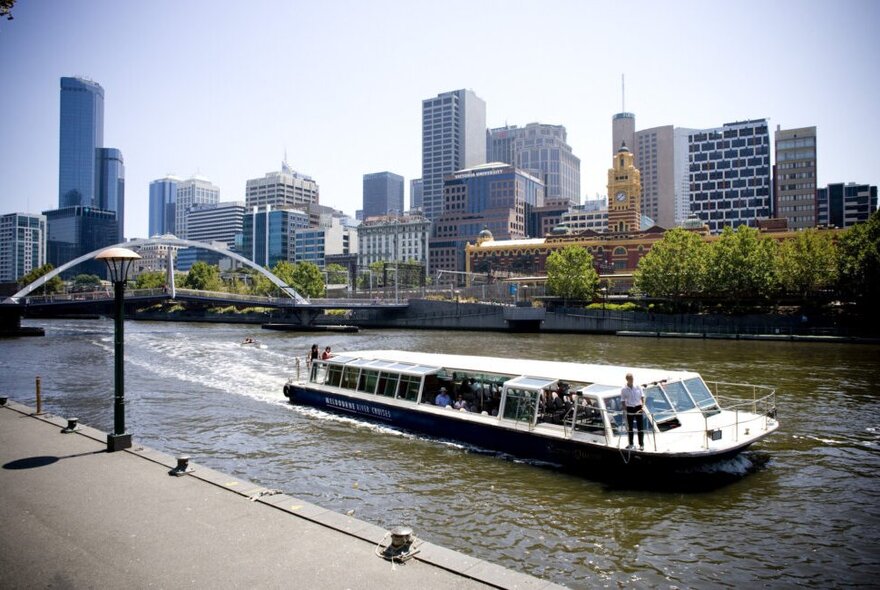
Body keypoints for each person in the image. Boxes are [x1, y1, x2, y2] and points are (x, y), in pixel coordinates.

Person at [620, 372, 645, 450]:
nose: (632, 380)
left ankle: (641, 444)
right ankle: (631, 444)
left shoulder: (638, 387)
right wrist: (625, 409)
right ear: (627, 380)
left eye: (633, 378)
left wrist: (643, 406)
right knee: (630, 427)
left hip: (638, 407)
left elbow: (643, 397)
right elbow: (623, 400)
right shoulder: (623, 389)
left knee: (640, 427)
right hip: (630, 408)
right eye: (630, 379)